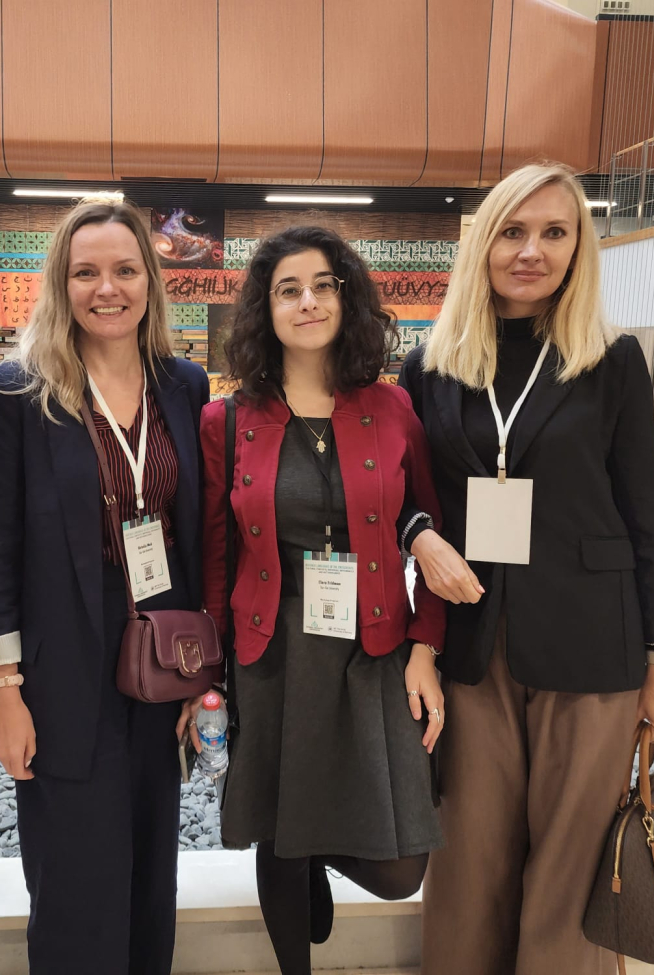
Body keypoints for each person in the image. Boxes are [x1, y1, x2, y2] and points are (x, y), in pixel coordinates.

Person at [397, 162, 654, 975]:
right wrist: (418, 536)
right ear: (483, 243)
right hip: (472, 643)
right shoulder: (432, 366)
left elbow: (646, 518)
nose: (532, 251)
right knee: (468, 858)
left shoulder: (612, 360)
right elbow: (401, 495)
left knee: (572, 863)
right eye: (513, 232)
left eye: (555, 232)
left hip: (593, 647)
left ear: (578, 247)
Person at [0, 199, 210, 974]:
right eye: (87, 272)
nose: (108, 288)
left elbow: (199, 533)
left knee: (149, 867)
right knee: (75, 877)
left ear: (150, 282)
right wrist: (5, 689)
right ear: (61, 284)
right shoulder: (19, 391)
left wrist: (201, 679)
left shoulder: (184, 384)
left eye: (126, 270)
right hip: (61, 663)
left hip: (158, 646)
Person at [197, 225, 447, 975]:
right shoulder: (228, 420)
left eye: (322, 286)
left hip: (374, 647)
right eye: (287, 290)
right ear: (264, 309)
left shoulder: (393, 409)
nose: (307, 302)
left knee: (401, 866)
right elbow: (217, 555)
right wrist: (211, 676)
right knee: (280, 828)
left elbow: (432, 531)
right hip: (272, 650)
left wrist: (426, 647)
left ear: (346, 298)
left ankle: (307, 851)